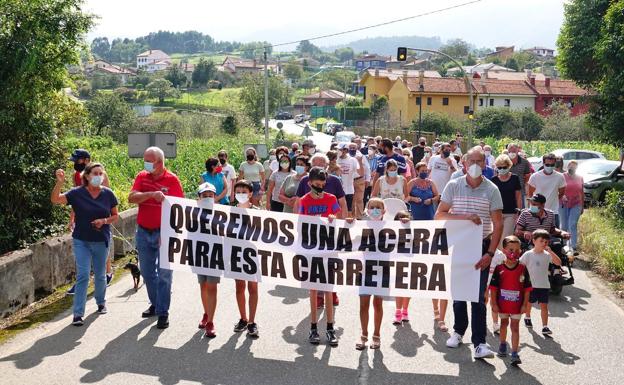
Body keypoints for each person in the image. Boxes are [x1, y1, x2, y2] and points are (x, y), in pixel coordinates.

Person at [437, 146, 504, 360]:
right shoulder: (454, 185)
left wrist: (491, 253)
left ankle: (480, 342)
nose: (475, 165)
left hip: (482, 246)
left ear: (485, 164)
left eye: (479, 161)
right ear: (464, 163)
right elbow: (440, 215)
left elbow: (498, 223)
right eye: (471, 161)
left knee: (477, 296)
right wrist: (466, 217)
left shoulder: (492, 189)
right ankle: (458, 331)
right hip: (458, 245)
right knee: (458, 293)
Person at [51, 163, 119, 326]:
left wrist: (104, 221)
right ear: (87, 176)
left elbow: (115, 216)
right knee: (82, 275)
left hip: (101, 239)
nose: (98, 176)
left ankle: (101, 302)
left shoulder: (108, 194)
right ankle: (78, 313)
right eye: (95, 173)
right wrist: (59, 183)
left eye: (100, 173)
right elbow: (55, 200)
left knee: (101, 274)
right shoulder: (77, 193)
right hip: (81, 240)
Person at [129, 147, 184, 329]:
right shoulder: (141, 176)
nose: (145, 164)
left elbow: (179, 210)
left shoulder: (172, 180)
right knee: (146, 272)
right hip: (144, 231)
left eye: (148, 160)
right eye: (144, 160)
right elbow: (132, 197)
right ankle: (156, 303)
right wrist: (150, 195)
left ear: (159, 162)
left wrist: (169, 232)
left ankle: (162, 312)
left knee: (164, 274)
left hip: (164, 232)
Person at [298, 167, 341, 346]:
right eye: (317, 184)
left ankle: (330, 328)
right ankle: (313, 328)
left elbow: (337, 215)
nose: (320, 187)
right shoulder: (304, 200)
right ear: (310, 184)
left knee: (329, 289)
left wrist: (333, 217)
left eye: (323, 184)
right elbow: (300, 222)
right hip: (312, 250)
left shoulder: (331, 198)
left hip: (328, 249)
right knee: (314, 290)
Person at [66, 149, 113, 296]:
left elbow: (108, 197)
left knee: (101, 246)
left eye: (77, 160)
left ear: (86, 160)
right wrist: (72, 216)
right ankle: (82, 281)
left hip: (100, 216)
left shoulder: (99, 174)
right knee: (84, 249)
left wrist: (105, 218)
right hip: (83, 217)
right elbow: (77, 198)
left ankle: (108, 273)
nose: (75, 163)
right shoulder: (77, 176)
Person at [489, 235, 532, 365]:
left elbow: (527, 289)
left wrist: (525, 305)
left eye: (517, 250)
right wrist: (494, 304)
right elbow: (494, 288)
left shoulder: (523, 268)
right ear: (504, 250)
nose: (514, 253)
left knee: (515, 328)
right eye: (511, 249)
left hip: (517, 306)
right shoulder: (499, 268)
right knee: (503, 324)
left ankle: (514, 353)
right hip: (502, 305)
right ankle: (502, 344)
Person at [355, 198, 387, 350]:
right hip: (364, 269)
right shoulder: (360, 226)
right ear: (367, 209)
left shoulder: (390, 227)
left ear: (384, 210)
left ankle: (376, 335)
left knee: (378, 304)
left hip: (382, 270)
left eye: (378, 207)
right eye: (372, 207)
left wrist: (405, 224)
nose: (375, 210)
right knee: (363, 304)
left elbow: (405, 239)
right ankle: (363, 334)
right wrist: (348, 223)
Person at [233, 179, 261, 337]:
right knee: (239, 287)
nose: (241, 195)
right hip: (236, 253)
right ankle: (243, 318)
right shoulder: (229, 211)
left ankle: (252, 321)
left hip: (253, 255)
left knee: (253, 288)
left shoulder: (257, 211)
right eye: (238, 192)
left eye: (244, 192)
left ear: (250, 193)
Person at [521, 229, 562, 336]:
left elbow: (558, 263)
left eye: (546, 242)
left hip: (544, 285)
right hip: (531, 285)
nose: (544, 243)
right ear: (534, 241)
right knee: (529, 303)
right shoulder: (528, 254)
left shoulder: (547, 255)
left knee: (544, 306)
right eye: (541, 241)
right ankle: (527, 316)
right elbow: (520, 266)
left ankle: (545, 326)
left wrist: (551, 252)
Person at [196, 183, 220, 338]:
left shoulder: (221, 214)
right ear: (199, 198)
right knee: (203, 285)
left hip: (215, 255)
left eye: (210, 195)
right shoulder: (192, 213)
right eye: (204, 195)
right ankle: (206, 313)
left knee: (212, 287)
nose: (208, 198)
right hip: (198, 254)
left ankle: (210, 321)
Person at [515, 193, 570, 258]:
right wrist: (525, 232)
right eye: (531, 204)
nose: (532, 206)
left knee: (557, 246)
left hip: (546, 242)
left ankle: (556, 267)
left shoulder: (550, 214)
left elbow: (552, 230)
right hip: (531, 242)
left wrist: (562, 232)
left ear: (542, 205)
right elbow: (517, 231)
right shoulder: (525, 214)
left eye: (535, 204)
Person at [491, 155, 523, 248]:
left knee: (506, 237)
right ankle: (496, 259)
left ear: (509, 166)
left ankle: (503, 259)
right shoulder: (493, 180)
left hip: (511, 212)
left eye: (504, 167)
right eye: (499, 167)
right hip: (496, 213)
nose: (502, 169)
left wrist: (519, 212)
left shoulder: (514, 178)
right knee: (496, 237)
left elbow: (518, 196)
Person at [527, 153, 566, 227]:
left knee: (554, 236)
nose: (550, 167)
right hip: (537, 212)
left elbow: (561, 193)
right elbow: (530, 194)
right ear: (543, 163)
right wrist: (532, 209)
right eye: (547, 165)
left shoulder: (560, 177)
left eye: (552, 165)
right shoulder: (535, 176)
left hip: (553, 212)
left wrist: (553, 199)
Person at [559, 161, 584, 252]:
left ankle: (573, 246)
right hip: (563, 204)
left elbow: (581, 192)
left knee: (572, 224)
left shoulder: (580, 177)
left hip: (576, 204)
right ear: (567, 166)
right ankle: (563, 245)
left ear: (577, 168)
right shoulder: (561, 176)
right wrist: (561, 196)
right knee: (564, 225)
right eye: (570, 166)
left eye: (574, 167)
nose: (572, 168)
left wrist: (582, 205)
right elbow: (557, 189)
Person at [337, 142, 363, 217]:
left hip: (348, 190)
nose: (338, 151)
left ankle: (347, 228)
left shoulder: (352, 160)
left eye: (340, 149)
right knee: (337, 211)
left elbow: (360, 173)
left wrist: (360, 162)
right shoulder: (335, 159)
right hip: (337, 190)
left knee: (349, 211)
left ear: (345, 150)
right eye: (338, 149)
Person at [351, 142, 369, 220]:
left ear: (357, 148)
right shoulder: (346, 156)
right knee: (351, 199)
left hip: (360, 179)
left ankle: (359, 217)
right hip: (349, 180)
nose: (352, 149)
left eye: (353, 148)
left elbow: (367, 168)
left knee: (359, 199)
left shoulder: (361, 156)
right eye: (350, 148)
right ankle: (351, 216)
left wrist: (368, 179)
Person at [363, 143, 380, 208]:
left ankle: (371, 210)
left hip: (374, 179)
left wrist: (374, 172)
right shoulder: (364, 157)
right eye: (369, 149)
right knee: (364, 197)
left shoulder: (378, 158)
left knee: (373, 197)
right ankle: (363, 209)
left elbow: (379, 167)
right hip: (366, 179)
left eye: (371, 149)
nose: (369, 150)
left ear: (375, 150)